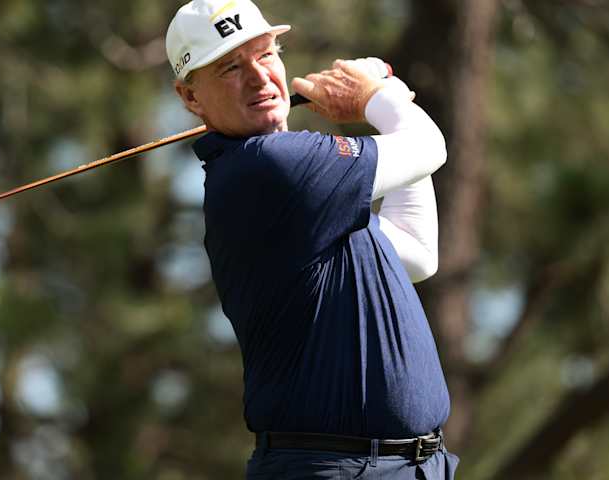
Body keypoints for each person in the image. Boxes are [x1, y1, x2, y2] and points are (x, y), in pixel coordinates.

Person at [166, 0, 458, 478]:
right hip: (335, 467)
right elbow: (429, 146)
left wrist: (389, 106)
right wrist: (377, 98)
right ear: (191, 97)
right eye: (230, 68)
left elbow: (416, 253)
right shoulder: (268, 167)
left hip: (402, 466)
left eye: (265, 54)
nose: (259, 77)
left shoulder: (306, 193)